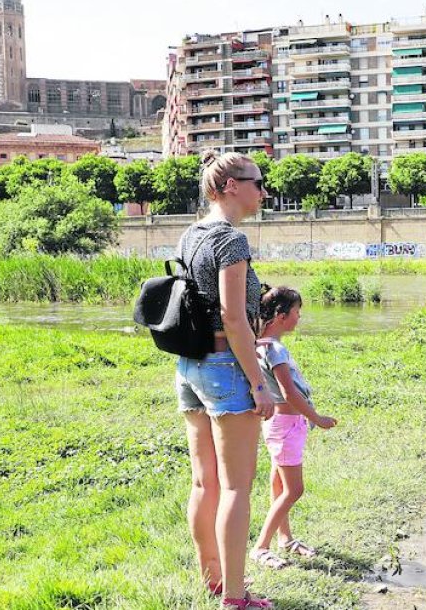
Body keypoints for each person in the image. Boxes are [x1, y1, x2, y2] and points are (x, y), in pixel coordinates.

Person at [173, 150, 275, 609]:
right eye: (257, 181)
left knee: (204, 483)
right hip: (225, 365)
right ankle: (235, 599)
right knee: (235, 488)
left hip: (190, 366)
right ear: (231, 185)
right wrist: (259, 382)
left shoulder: (190, 234)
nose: (263, 189)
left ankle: (212, 579)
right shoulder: (232, 240)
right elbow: (235, 319)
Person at [249, 285, 338, 570]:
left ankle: (285, 539)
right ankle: (261, 547)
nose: (299, 317)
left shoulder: (260, 343)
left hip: (281, 425)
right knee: (294, 490)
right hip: (286, 425)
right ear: (281, 315)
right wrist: (317, 417)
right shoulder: (274, 348)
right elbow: (289, 393)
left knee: (279, 485)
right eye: (297, 312)